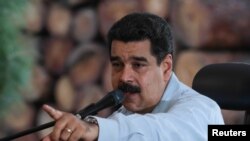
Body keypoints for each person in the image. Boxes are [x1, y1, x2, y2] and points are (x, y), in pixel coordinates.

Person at [42, 13, 224, 141]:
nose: (124, 77)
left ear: (166, 67)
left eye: (138, 65)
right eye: (117, 64)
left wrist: (94, 130)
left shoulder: (202, 111)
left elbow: (159, 132)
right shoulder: (123, 118)